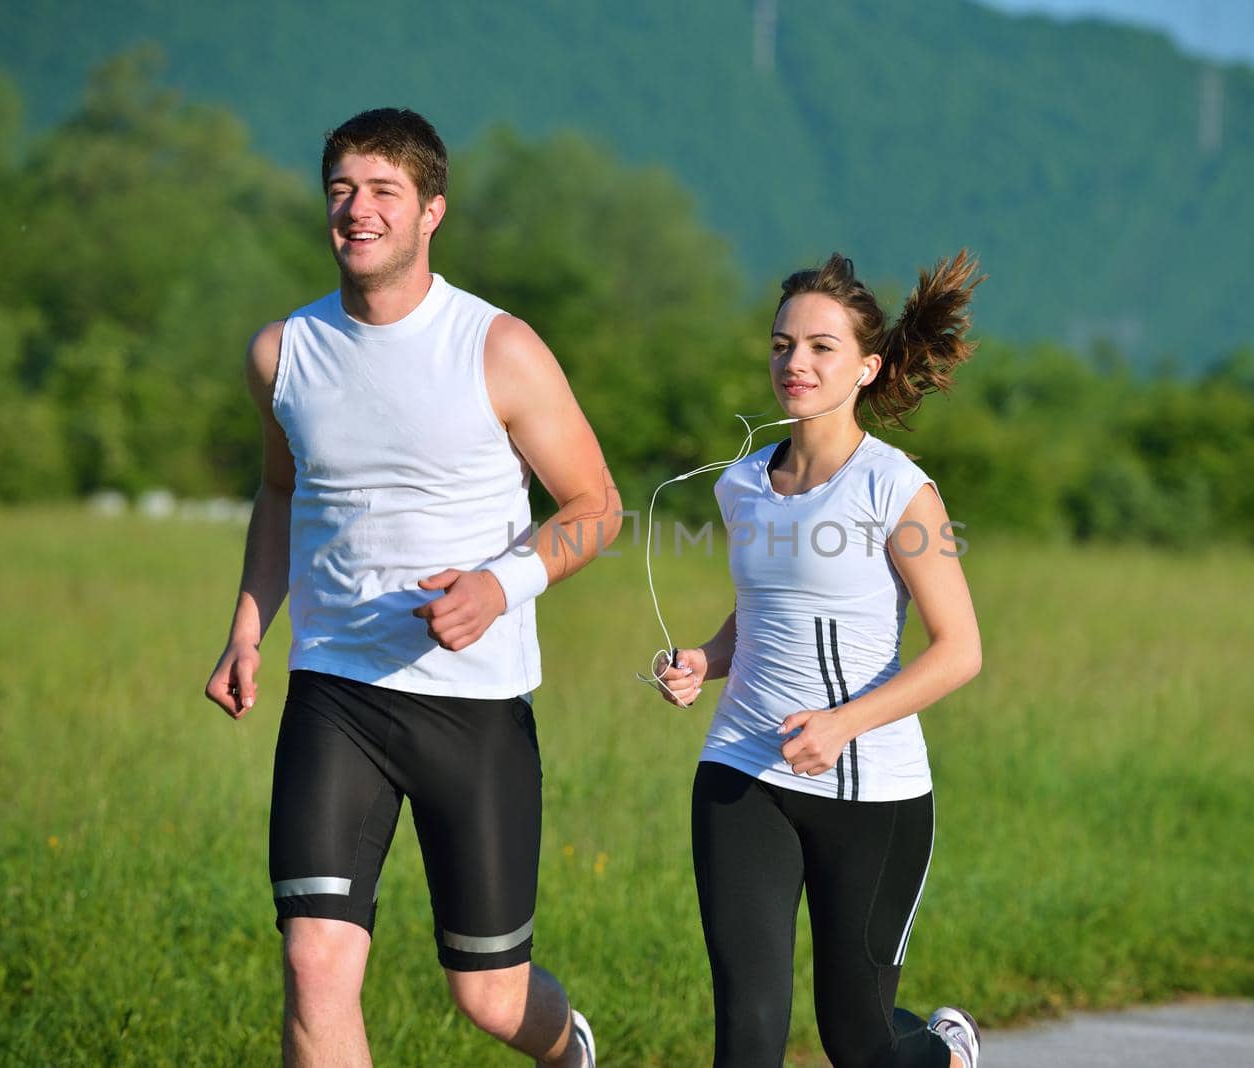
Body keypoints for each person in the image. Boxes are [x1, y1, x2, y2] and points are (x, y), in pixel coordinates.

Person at [203, 108, 616, 1068]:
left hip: (471, 708)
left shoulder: (497, 346)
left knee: (488, 994)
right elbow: (279, 489)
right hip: (334, 691)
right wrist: (248, 628)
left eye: (383, 190)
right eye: (342, 189)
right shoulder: (282, 354)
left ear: (432, 210)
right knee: (314, 963)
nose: (358, 210)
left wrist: (500, 586)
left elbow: (596, 504)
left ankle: (571, 1051)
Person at [653, 251, 986, 1067]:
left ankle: (943, 1053)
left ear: (868, 367)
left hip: (870, 789)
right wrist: (706, 657)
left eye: (820, 347)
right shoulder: (740, 487)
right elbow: (766, 612)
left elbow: (961, 652)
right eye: (780, 345)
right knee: (748, 1037)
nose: (793, 363)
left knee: (859, 1043)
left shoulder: (898, 488)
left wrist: (843, 723)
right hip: (741, 769)